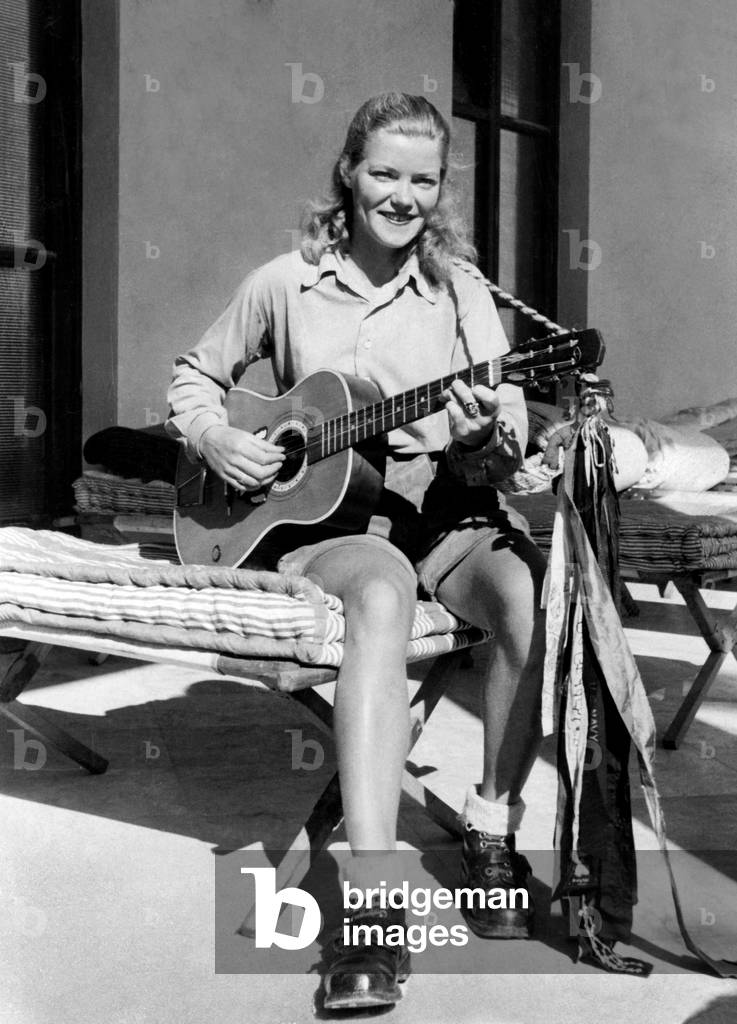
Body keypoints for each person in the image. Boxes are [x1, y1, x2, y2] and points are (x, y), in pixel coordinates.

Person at [166, 92, 547, 1010]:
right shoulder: (281, 282)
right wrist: (215, 438)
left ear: (440, 190)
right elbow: (194, 375)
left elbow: (509, 435)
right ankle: (371, 909)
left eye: (423, 179)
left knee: (527, 599)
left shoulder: (464, 296)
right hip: (333, 528)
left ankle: (490, 821)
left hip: (446, 515)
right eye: (384, 172)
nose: (402, 195)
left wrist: (478, 440)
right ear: (349, 171)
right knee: (378, 598)